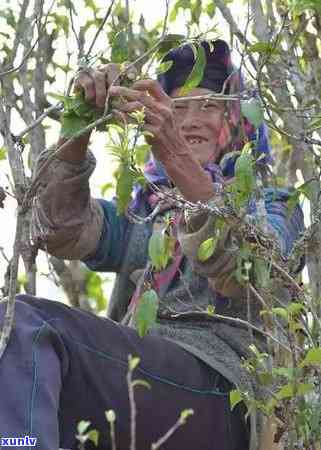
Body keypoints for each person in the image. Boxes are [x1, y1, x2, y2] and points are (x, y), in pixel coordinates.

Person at [0, 40, 304, 450]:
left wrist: (174, 153)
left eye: (209, 106)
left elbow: (245, 269)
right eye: (178, 109)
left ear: (237, 120)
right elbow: (60, 229)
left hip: (227, 397)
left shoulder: (273, 205)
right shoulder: (148, 214)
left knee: (29, 326)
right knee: (18, 354)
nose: (192, 120)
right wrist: (81, 122)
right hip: (142, 388)